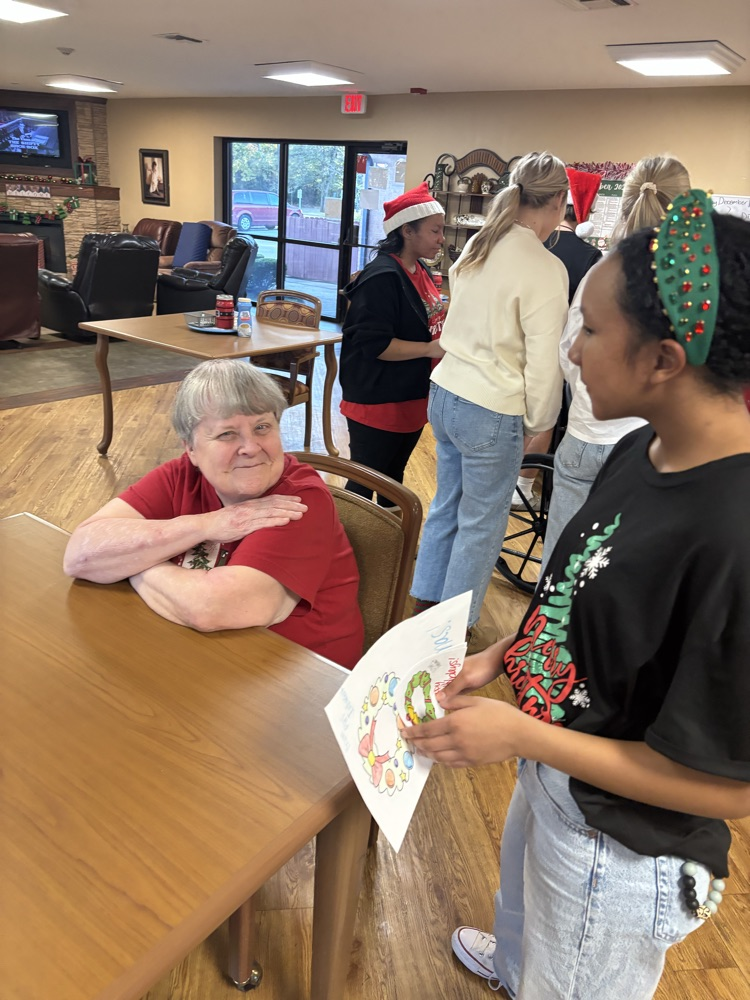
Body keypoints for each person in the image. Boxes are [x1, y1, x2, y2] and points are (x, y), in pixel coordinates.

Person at [408, 193, 750, 999]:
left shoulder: (733, 532)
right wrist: (503, 655)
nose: (570, 349)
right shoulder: (643, 449)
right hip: (557, 768)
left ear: (663, 360)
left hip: (618, 843)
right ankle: (520, 965)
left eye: (590, 330)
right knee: (526, 915)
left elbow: (727, 786)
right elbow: (583, 598)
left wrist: (523, 736)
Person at [63, 359, 364, 668]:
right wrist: (205, 525)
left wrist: (134, 561)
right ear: (191, 449)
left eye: (262, 427)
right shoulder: (183, 475)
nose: (250, 447)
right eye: (227, 434)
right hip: (203, 657)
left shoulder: (298, 500)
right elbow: (80, 554)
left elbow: (212, 609)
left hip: (303, 677)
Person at [409, 152, 569, 647]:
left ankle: (421, 608)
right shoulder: (545, 267)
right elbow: (544, 361)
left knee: (447, 506)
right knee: (481, 523)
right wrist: (540, 421)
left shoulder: (480, 245)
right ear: (559, 202)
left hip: (446, 392)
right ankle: (449, 637)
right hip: (491, 406)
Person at [542, 155, 691, 566]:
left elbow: (570, 352)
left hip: (587, 433)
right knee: (625, 567)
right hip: (651, 447)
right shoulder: (691, 284)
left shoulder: (602, 272)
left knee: (561, 562)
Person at [339, 181, 446, 504]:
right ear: (407, 231)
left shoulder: (418, 269)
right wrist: (430, 349)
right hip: (378, 401)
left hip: (410, 395)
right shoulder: (383, 277)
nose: (441, 239)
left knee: (393, 480)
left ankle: (391, 535)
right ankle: (352, 536)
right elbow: (374, 344)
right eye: (435, 231)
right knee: (365, 482)